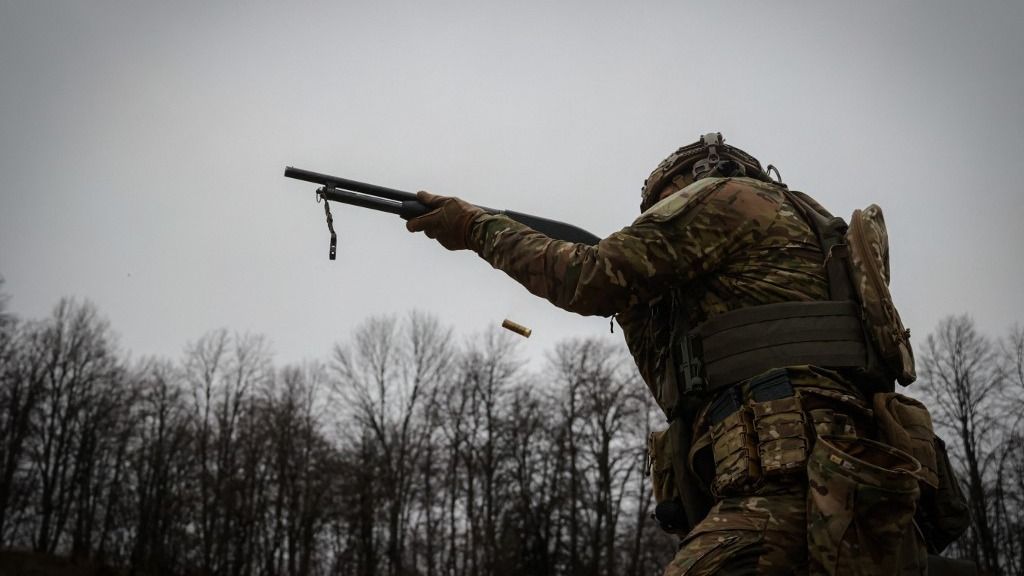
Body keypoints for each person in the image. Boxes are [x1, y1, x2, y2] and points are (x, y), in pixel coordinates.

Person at [404, 133, 951, 575]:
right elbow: (679, 392)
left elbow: (586, 277)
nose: (657, 220)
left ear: (689, 183)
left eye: (658, 207)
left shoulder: (726, 199)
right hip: (850, 495)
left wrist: (474, 226)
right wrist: (643, 310)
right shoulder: (810, 230)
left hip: (783, 496)